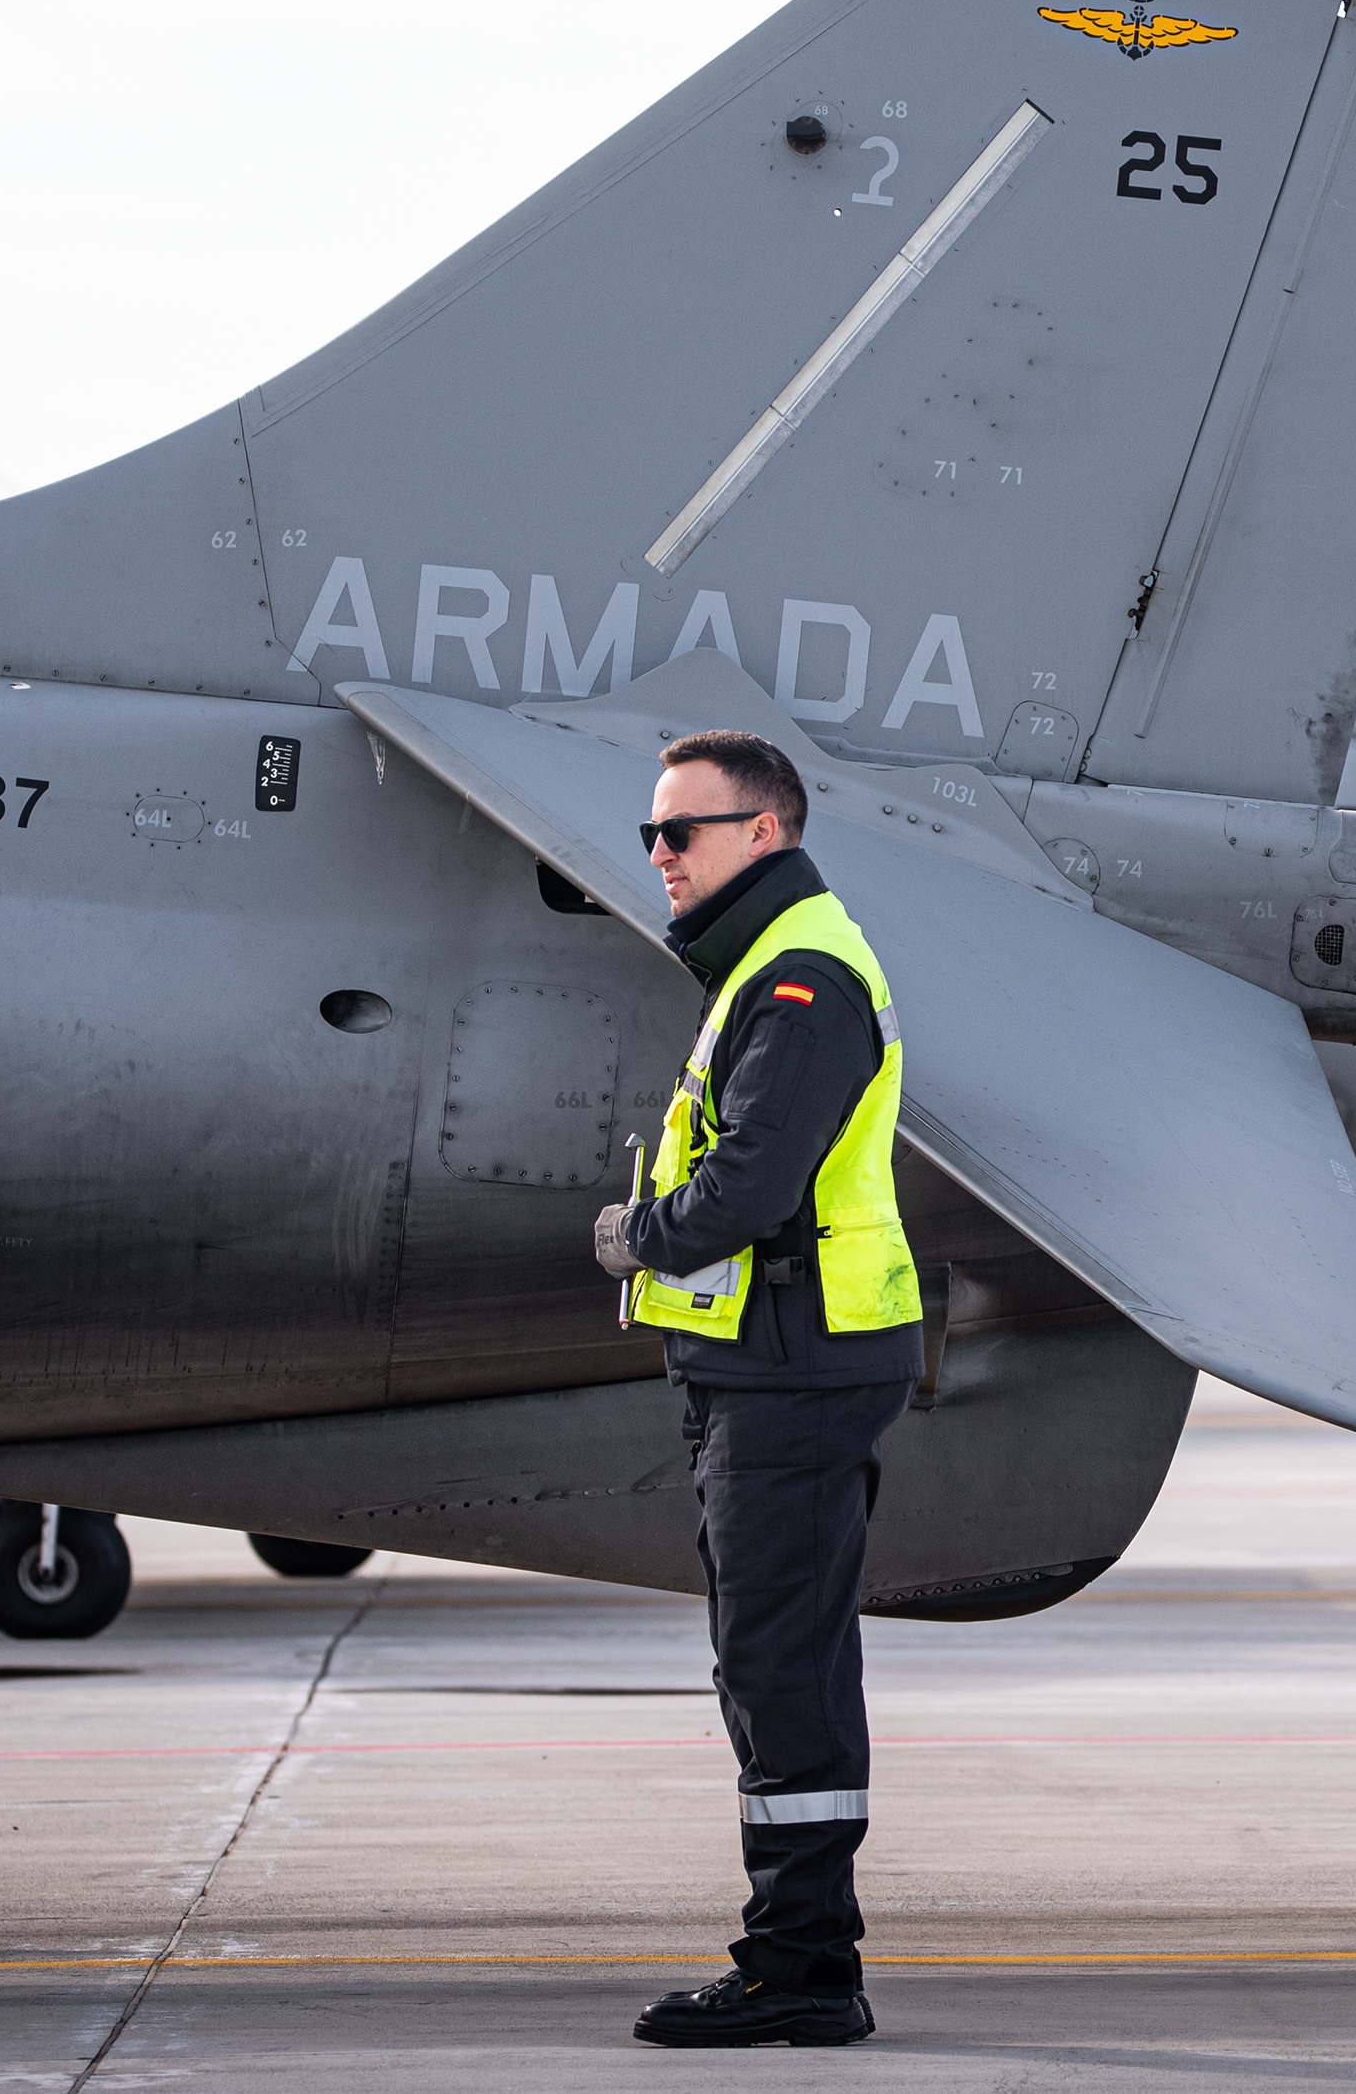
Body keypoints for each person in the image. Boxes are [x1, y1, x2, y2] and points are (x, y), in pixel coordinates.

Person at [590, 729, 922, 2048]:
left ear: (763, 831)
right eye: (653, 833)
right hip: (776, 1359)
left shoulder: (800, 981)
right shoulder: (773, 968)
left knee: (779, 1662)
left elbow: (752, 1188)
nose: (659, 854)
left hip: (800, 1362)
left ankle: (803, 1966)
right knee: (772, 1656)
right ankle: (800, 1954)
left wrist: (638, 1231)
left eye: (683, 830)